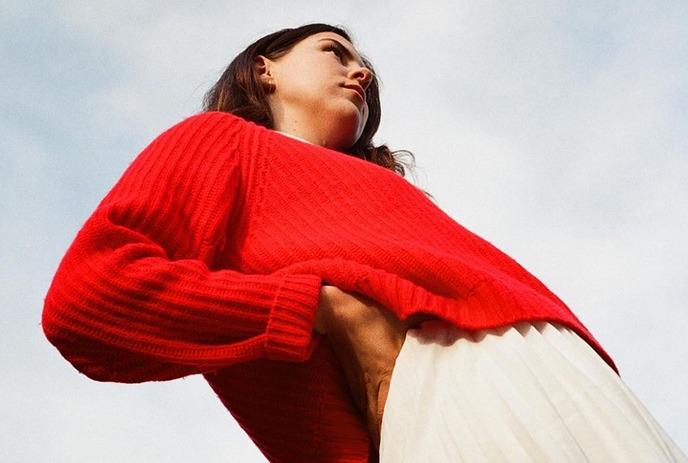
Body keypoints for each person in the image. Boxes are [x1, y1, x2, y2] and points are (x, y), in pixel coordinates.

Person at [41, 23, 686, 462]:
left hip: (571, 376)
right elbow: (90, 296)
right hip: (444, 386)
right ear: (264, 70)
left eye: (365, 66)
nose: (361, 72)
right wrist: (321, 309)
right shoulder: (222, 140)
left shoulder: (379, 187)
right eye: (334, 52)